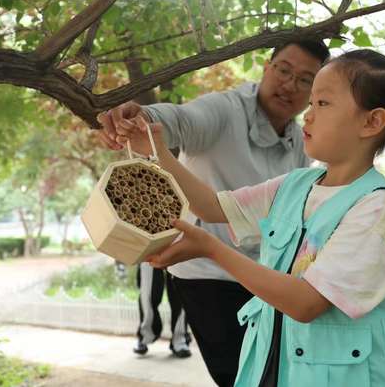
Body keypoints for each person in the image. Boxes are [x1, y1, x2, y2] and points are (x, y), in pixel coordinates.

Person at [118, 49, 385, 386]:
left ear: (372, 122)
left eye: (323, 104)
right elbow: (213, 207)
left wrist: (211, 249)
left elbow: (305, 302)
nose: (307, 116)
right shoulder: (295, 185)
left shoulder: (375, 210)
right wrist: (156, 149)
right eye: (310, 104)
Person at [98, 39, 329, 382]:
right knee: (241, 376)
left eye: (305, 79)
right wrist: (143, 118)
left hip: (263, 277)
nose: (290, 85)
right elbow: (180, 119)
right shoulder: (225, 110)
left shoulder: (300, 141)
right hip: (206, 274)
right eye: (284, 70)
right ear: (267, 68)